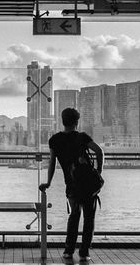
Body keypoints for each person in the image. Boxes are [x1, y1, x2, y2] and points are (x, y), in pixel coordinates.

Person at [39, 108, 104, 262]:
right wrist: (98, 172)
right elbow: (99, 152)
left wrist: (48, 182)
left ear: (62, 121)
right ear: (77, 121)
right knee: (89, 218)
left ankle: (68, 251)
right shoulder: (82, 137)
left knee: (74, 216)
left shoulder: (54, 140)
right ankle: (84, 253)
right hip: (88, 185)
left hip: (72, 184)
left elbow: (52, 163)